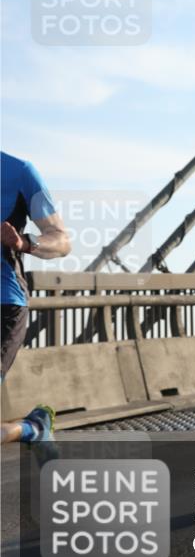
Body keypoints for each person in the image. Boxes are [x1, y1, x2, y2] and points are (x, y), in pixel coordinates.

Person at [1, 152, 71, 458]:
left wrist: (25, 243)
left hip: (4, 305)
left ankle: (34, 428)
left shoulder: (19, 172)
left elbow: (61, 240)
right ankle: (32, 428)